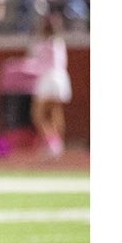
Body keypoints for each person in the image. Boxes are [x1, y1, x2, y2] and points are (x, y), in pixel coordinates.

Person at [28, 9, 72, 158]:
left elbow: (35, 63)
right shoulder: (59, 43)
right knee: (55, 112)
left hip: (48, 78)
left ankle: (51, 143)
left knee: (38, 114)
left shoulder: (40, 44)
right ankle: (57, 144)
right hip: (60, 78)